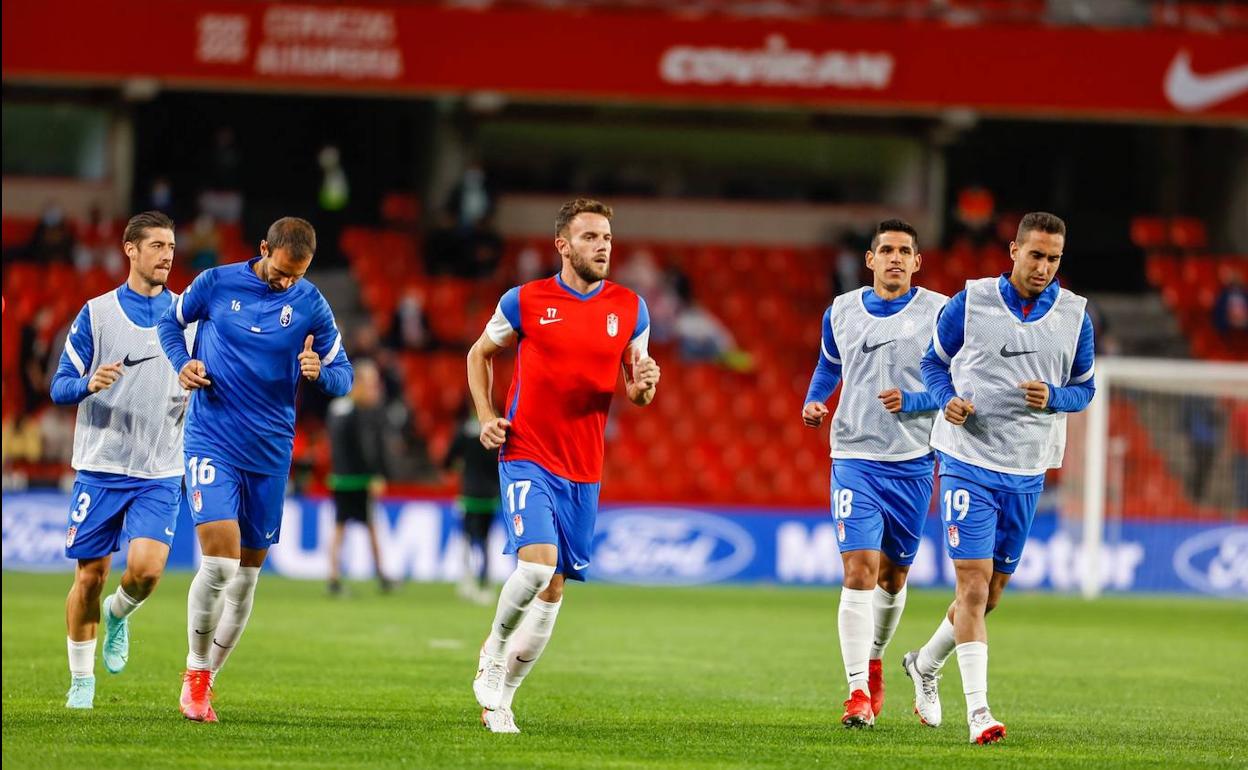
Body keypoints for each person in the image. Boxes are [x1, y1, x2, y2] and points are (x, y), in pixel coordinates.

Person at [467, 198, 659, 734]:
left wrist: (644, 387)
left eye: (607, 239)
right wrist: (487, 415)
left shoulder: (631, 308)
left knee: (554, 589)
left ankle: (503, 697)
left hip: (584, 465)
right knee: (535, 566)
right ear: (563, 246)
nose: (603, 247)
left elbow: (636, 387)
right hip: (526, 451)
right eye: (592, 237)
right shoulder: (524, 301)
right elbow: (478, 354)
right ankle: (494, 649)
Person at [903, 212, 1095, 744]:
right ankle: (979, 713)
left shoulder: (1076, 316)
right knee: (971, 587)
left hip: (1027, 468)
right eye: (1035, 255)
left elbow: (1085, 389)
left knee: (990, 597)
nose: (1043, 267)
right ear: (1013, 250)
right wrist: (947, 402)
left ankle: (924, 663)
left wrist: (1056, 397)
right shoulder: (972, 301)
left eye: (1053, 259)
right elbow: (933, 363)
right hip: (967, 459)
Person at [158, 216, 353, 722]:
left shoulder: (310, 302)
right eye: (283, 271)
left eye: (299, 274)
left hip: (270, 451)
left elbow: (344, 374)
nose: (288, 282)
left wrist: (322, 374)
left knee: (245, 580)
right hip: (212, 439)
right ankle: (195, 672)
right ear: (263, 248)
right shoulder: (216, 283)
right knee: (219, 564)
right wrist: (182, 361)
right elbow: (168, 321)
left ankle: (208, 679)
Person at [801, 219, 947, 729]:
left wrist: (916, 402)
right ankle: (856, 691)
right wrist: (815, 400)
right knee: (859, 570)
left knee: (893, 575)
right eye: (886, 250)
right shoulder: (841, 311)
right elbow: (827, 366)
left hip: (913, 461)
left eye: (905, 250)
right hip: (854, 457)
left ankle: (876, 657)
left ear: (917, 262)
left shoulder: (940, 312)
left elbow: (957, 387)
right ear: (870, 260)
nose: (895, 258)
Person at [48, 211, 192, 709]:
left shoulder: (186, 317)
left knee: (147, 571)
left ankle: (120, 615)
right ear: (130, 250)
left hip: (160, 468)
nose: (167, 255)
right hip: (101, 466)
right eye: (156, 245)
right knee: (89, 577)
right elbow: (59, 385)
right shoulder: (97, 313)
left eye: (171, 246)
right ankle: (82, 681)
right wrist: (89, 382)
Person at [326, 359, 393, 595]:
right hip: (358, 479)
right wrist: (375, 474)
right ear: (359, 384)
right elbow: (365, 449)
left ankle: (333, 576)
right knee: (370, 526)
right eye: (372, 384)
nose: (375, 390)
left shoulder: (336, 407)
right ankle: (382, 575)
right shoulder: (361, 414)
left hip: (339, 478)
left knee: (339, 527)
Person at [444, 403, 501, 604]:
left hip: (469, 494)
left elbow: (448, 459)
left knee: (467, 539)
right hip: (490, 496)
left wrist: (458, 465)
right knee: (485, 540)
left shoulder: (464, 431)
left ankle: (467, 580)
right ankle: (485, 583)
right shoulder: (498, 432)